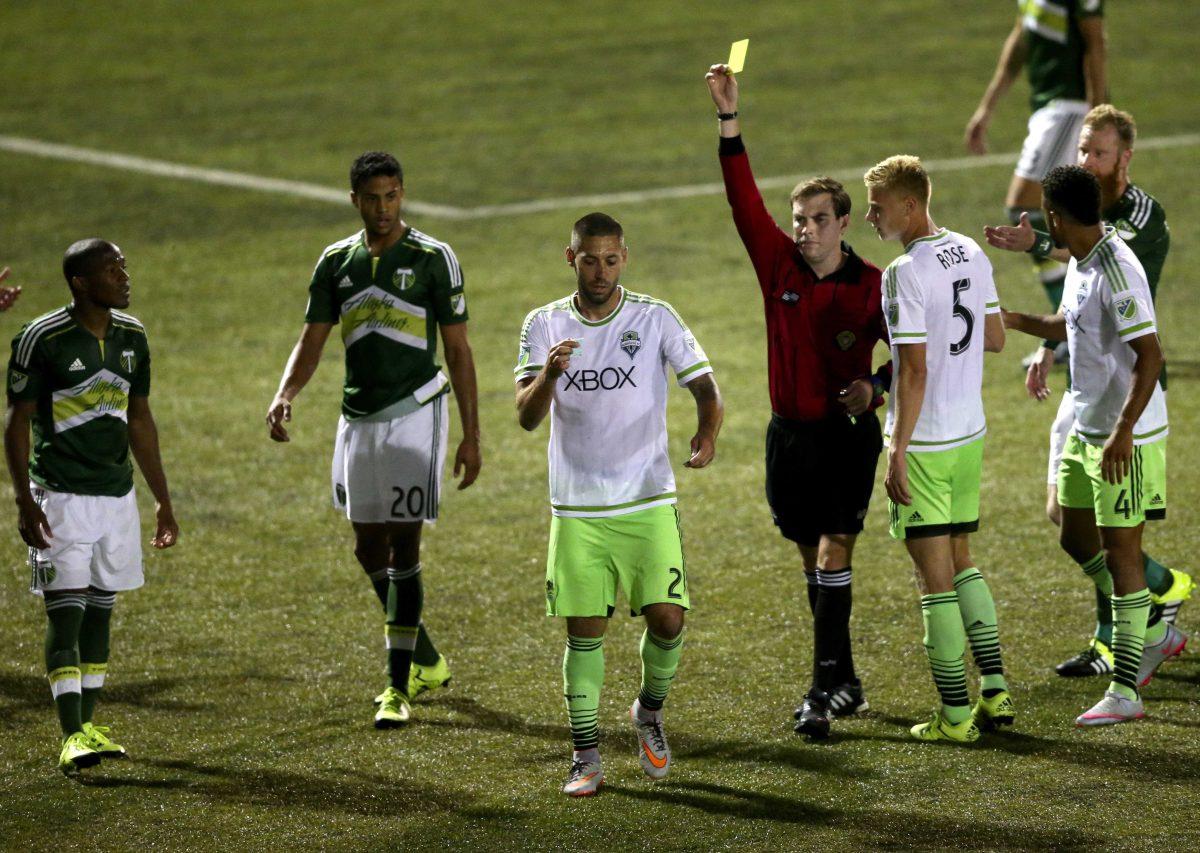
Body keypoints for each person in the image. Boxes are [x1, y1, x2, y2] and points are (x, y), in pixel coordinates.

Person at [705, 62, 890, 739]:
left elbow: (911, 356)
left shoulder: (872, 287)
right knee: (809, 555)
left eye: (818, 219)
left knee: (833, 552)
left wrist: (880, 386)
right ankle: (845, 678)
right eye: (799, 219)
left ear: (844, 222)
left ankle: (820, 690)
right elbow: (740, 199)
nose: (805, 229)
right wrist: (730, 120)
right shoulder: (777, 264)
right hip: (788, 439)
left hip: (847, 438)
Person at [267, 151, 481, 728]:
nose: (383, 208)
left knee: (404, 550)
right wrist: (287, 393)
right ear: (354, 200)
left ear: (402, 195)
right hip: (357, 416)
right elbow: (311, 339)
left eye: (392, 196)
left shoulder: (434, 258)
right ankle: (425, 655)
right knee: (367, 549)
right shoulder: (336, 262)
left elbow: (458, 350)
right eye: (372, 198)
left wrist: (471, 434)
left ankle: (396, 687)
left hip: (417, 412)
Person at [515, 212, 722, 796]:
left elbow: (705, 386)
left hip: (646, 499)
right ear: (570, 257)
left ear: (623, 258)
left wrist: (708, 432)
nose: (599, 271)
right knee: (584, 632)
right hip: (578, 508)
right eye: (588, 259)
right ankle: (585, 756)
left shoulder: (654, 317)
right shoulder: (543, 324)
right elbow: (527, 418)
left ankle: (649, 714)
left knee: (669, 618)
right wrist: (549, 375)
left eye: (610, 260)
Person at [984, 105, 1191, 678]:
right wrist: (1041, 341)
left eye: (1098, 152)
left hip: (1127, 400)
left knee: (1115, 539)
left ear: (1124, 157)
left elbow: (1127, 319)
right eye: (1082, 151)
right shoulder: (1081, 247)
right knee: (1069, 522)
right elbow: (1077, 306)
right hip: (1086, 390)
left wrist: (1043, 241)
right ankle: (1159, 591)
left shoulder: (1131, 232)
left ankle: (1122, 658)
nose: (1088, 161)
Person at [4, 239, 179, 775]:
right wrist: (22, 498)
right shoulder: (42, 338)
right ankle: (72, 733)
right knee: (66, 611)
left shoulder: (133, 335)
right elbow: (16, 422)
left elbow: (140, 420)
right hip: (57, 497)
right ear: (80, 283)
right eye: (111, 270)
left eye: (124, 265)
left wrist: (162, 501)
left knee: (102, 609)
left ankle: (89, 724)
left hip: (116, 497)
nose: (124, 276)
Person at [864, 156, 1012, 743]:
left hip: (924, 442)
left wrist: (896, 451)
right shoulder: (973, 253)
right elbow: (996, 338)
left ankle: (954, 716)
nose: (870, 216)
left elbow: (916, 372)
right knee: (962, 559)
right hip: (968, 432)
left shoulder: (903, 272)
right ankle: (995, 693)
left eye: (878, 207)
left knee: (934, 582)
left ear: (910, 205)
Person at [965, 0, 1106, 364]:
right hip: (1047, 108)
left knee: (1025, 206)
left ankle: (1074, 326)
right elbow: (1020, 40)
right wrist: (987, 107)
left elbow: (1095, 44)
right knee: (1050, 211)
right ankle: (1077, 324)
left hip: (1071, 107)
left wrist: (1097, 117)